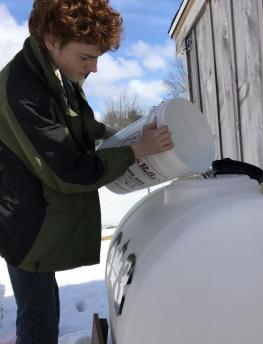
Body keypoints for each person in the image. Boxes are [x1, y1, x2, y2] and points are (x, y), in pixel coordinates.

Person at [0, 0, 173, 342]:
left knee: (45, 310)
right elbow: (68, 172)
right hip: (27, 224)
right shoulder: (24, 91)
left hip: (40, 218)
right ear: (52, 39)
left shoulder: (52, 73)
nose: (94, 68)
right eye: (86, 57)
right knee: (37, 322)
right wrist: (136, 151)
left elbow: (72, 123)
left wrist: (108, 133)